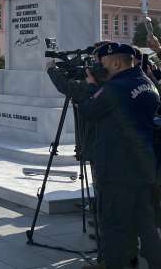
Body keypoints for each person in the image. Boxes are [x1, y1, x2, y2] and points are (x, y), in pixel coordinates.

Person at [48, 43, 161, 269]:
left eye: (103, 63)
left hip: (117, 168)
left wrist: (91, 86)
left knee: (114, 223)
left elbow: (89, 110)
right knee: (145, 222)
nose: (99, 67)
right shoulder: (148, 84)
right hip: (146, 166)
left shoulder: (114, 89)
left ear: (116, 62)